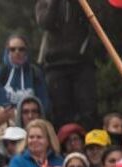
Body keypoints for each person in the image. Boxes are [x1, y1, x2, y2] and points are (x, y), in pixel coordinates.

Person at [36, 0, 98, 128]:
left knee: (88, 110)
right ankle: (64, 144)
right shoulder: (44, 3)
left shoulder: (85, 3)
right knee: (60, 112)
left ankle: (90, 145)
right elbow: (46, 23)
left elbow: (96, 19)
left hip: (82, 63)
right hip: (55, 65)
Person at [0, 34, 50, 111]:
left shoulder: (35, 73)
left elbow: (44, 102)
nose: (17, 52)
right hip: (5, 119)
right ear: (7, 51)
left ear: (26, 51)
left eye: (21, 49)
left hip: (31, 118)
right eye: (12, 49)